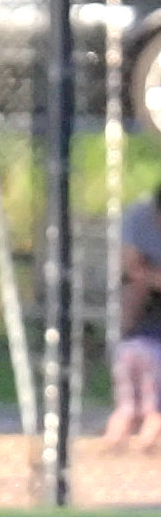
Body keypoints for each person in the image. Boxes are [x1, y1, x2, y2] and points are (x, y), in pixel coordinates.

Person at [107, 183, 161, 450]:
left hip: (130, 346)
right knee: (152, 407)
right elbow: (132, 266)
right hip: (148, 348)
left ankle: (116, 437)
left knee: (127, 406)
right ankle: (145, 440)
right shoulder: (138, 218)